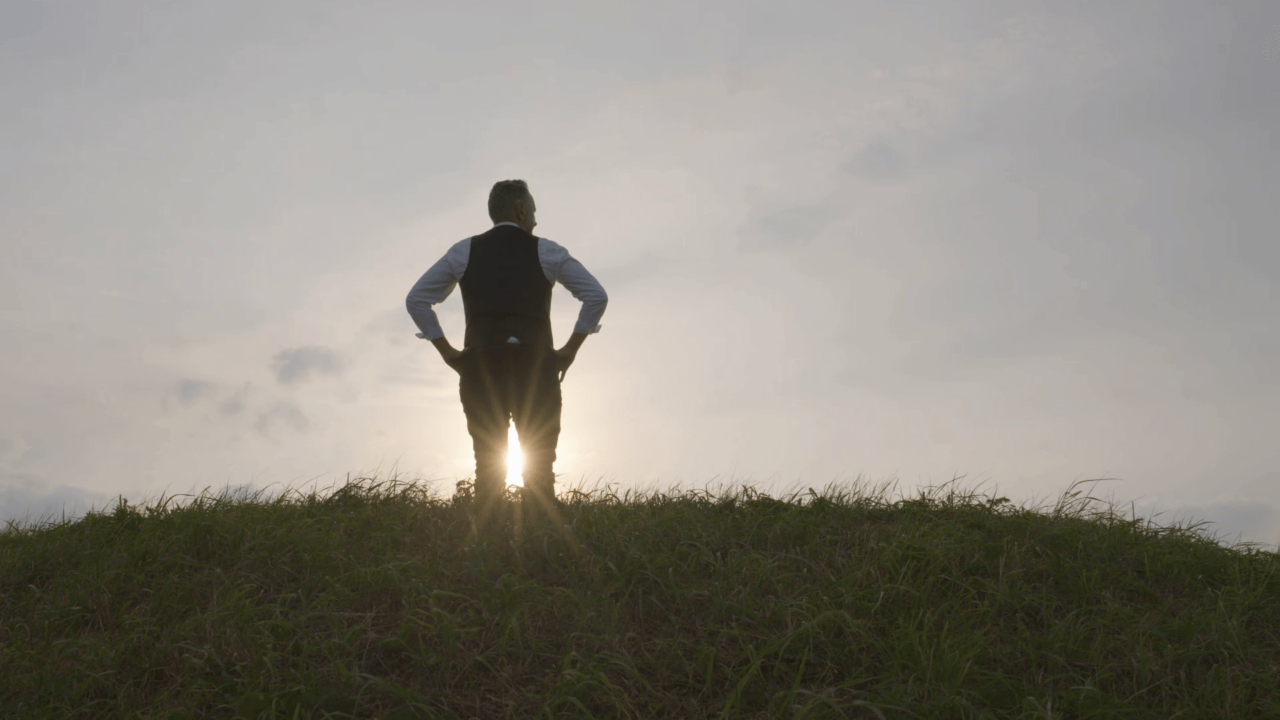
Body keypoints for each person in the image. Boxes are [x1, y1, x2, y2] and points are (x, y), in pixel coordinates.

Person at [405, 179, 608, 529]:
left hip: (481, 365)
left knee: (488, 462)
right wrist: (570, 351)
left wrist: (448, 353)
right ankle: (542, 549)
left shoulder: (462, 251)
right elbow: (596, 296)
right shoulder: (548, 251)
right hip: (536, 365)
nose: (536, 220)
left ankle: (485, 548)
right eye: (534, 211)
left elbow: (417, 299)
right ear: (520, 210)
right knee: (541, 462)